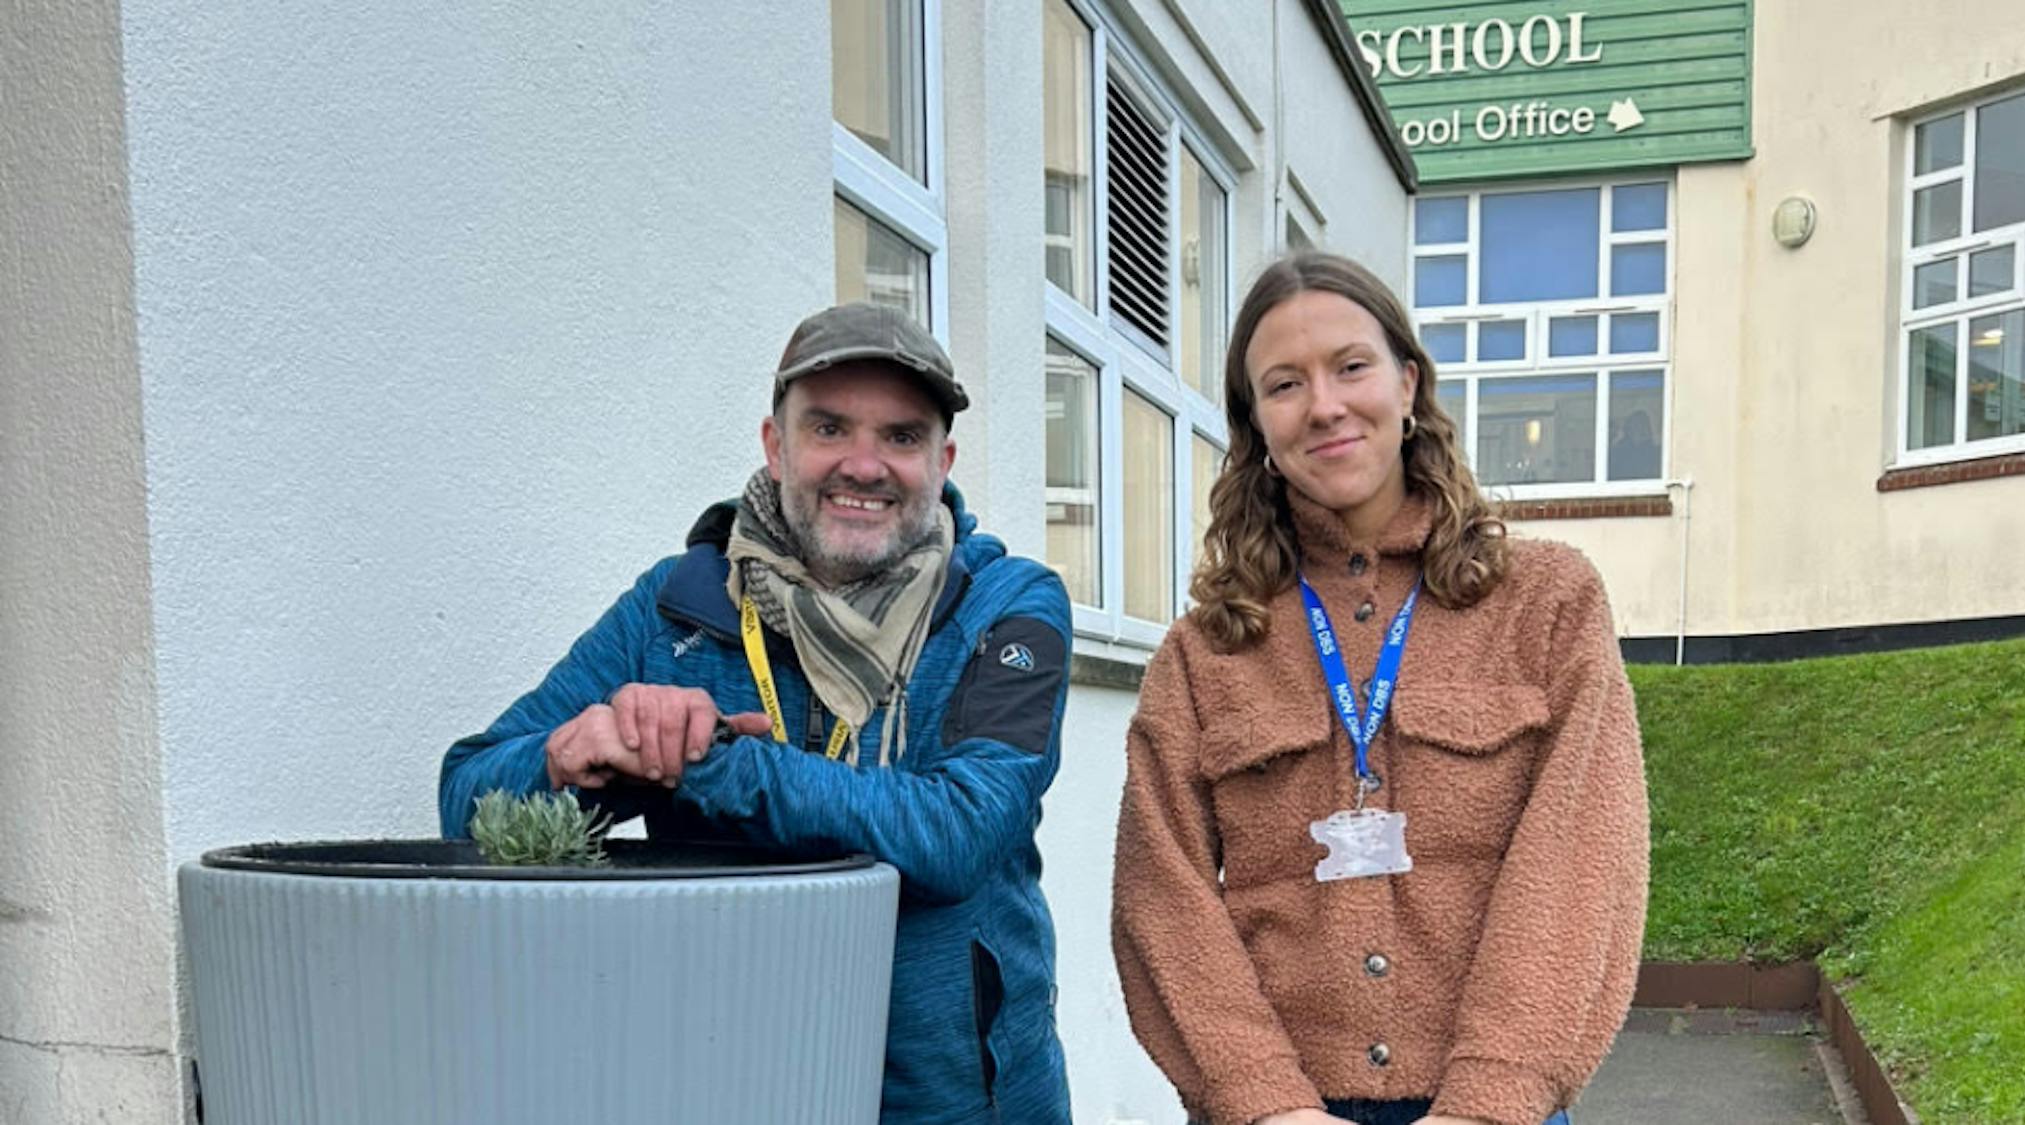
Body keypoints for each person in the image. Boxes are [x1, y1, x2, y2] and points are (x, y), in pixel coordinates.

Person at [440, 302, 1073, 1123]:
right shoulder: (673, 610)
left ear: (943, 460)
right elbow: (466, 795)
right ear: (777, 447)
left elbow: (961, 829)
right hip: (733, 1080)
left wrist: (715, 765)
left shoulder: (1009, 607)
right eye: (829, 428)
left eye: (902, 437)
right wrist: (575, 765)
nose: (864, 464)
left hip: (966, 1103)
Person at [1111, 253, 1648, 1125]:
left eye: (1350, 367)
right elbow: (1157, 892)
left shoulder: (1547, 602)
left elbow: (1583, 858)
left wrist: (1494, 1095)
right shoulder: (1206, 649)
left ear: (1407, 384)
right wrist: (1262, 1100)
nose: (1324, 405)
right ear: (1257, 426)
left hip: (1493, 1106)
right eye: (1284, 384)